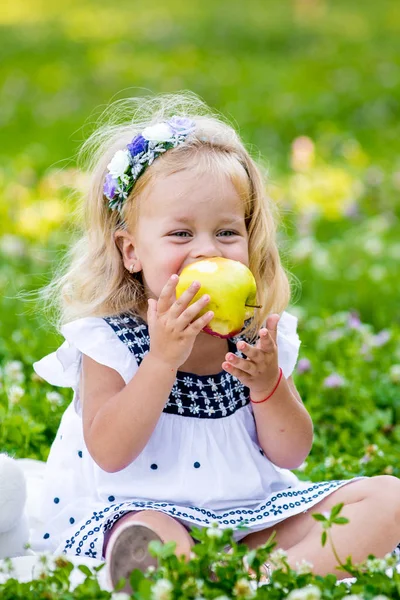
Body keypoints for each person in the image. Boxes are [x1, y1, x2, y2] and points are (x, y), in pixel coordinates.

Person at [32, 93, 400, 588]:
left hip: (251, 518)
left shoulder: (252, 335)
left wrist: (268, 385)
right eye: (181, 234)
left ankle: (267, 577)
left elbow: (291, 454)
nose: (206, 250)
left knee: (388, 499)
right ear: (132, 251)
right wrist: (160, 361)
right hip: (146, 509)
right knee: (148, 535)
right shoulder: (111, 341)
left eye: (226, 232)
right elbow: (110, 451)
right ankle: (179, 575)